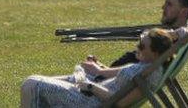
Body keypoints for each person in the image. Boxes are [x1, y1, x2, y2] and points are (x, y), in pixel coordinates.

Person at [20, 27, 175, 107]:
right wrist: (98, 69)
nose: (137, 48)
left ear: (155, 53)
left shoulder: (149, 74)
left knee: (31, 84)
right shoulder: (147, 65)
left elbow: (120, 102)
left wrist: (90, 86)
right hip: (90, 91)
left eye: (142, 46)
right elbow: (118, 77)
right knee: (37, 84)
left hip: (90, 101)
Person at [107, 0, 188, 67]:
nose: (163, 7)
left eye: (169, 4)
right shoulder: (177, 37)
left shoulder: (173, 38)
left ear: (183, 12)